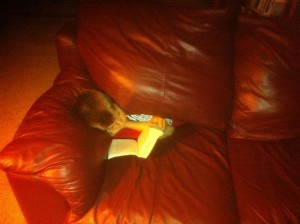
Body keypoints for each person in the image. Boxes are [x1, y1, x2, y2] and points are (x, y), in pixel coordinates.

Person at [75, 89, 174, 139]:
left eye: (118, 115)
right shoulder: (104, 135)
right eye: (111, 126)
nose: (120, 123)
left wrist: (127, 124)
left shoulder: (130, 104)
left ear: (115, 104)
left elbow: (169, 130)